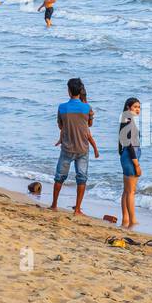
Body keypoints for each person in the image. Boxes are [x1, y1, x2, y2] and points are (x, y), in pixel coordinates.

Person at [50, 78, 97, 216]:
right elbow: (89, 125)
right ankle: (77, 209)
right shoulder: (87, 107)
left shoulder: (62, 107)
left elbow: (60, 125)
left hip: (67, 148)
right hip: (83, 148)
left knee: (59, 177)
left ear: (69, 91)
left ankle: (54, 205)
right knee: (82, 178)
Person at [118, 98, 142, 228]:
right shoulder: (129, 121)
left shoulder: (125, 119)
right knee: (131, 191)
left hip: (126, 155)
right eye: (135, 107)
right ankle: (132, 220)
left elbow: (121, 142)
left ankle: (125, 219)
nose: (138, 109)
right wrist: (136, 164)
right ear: (128, 107)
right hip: (131, 156)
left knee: (126, 191)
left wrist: (121, 154)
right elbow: (131, 144)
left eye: (139, 107)